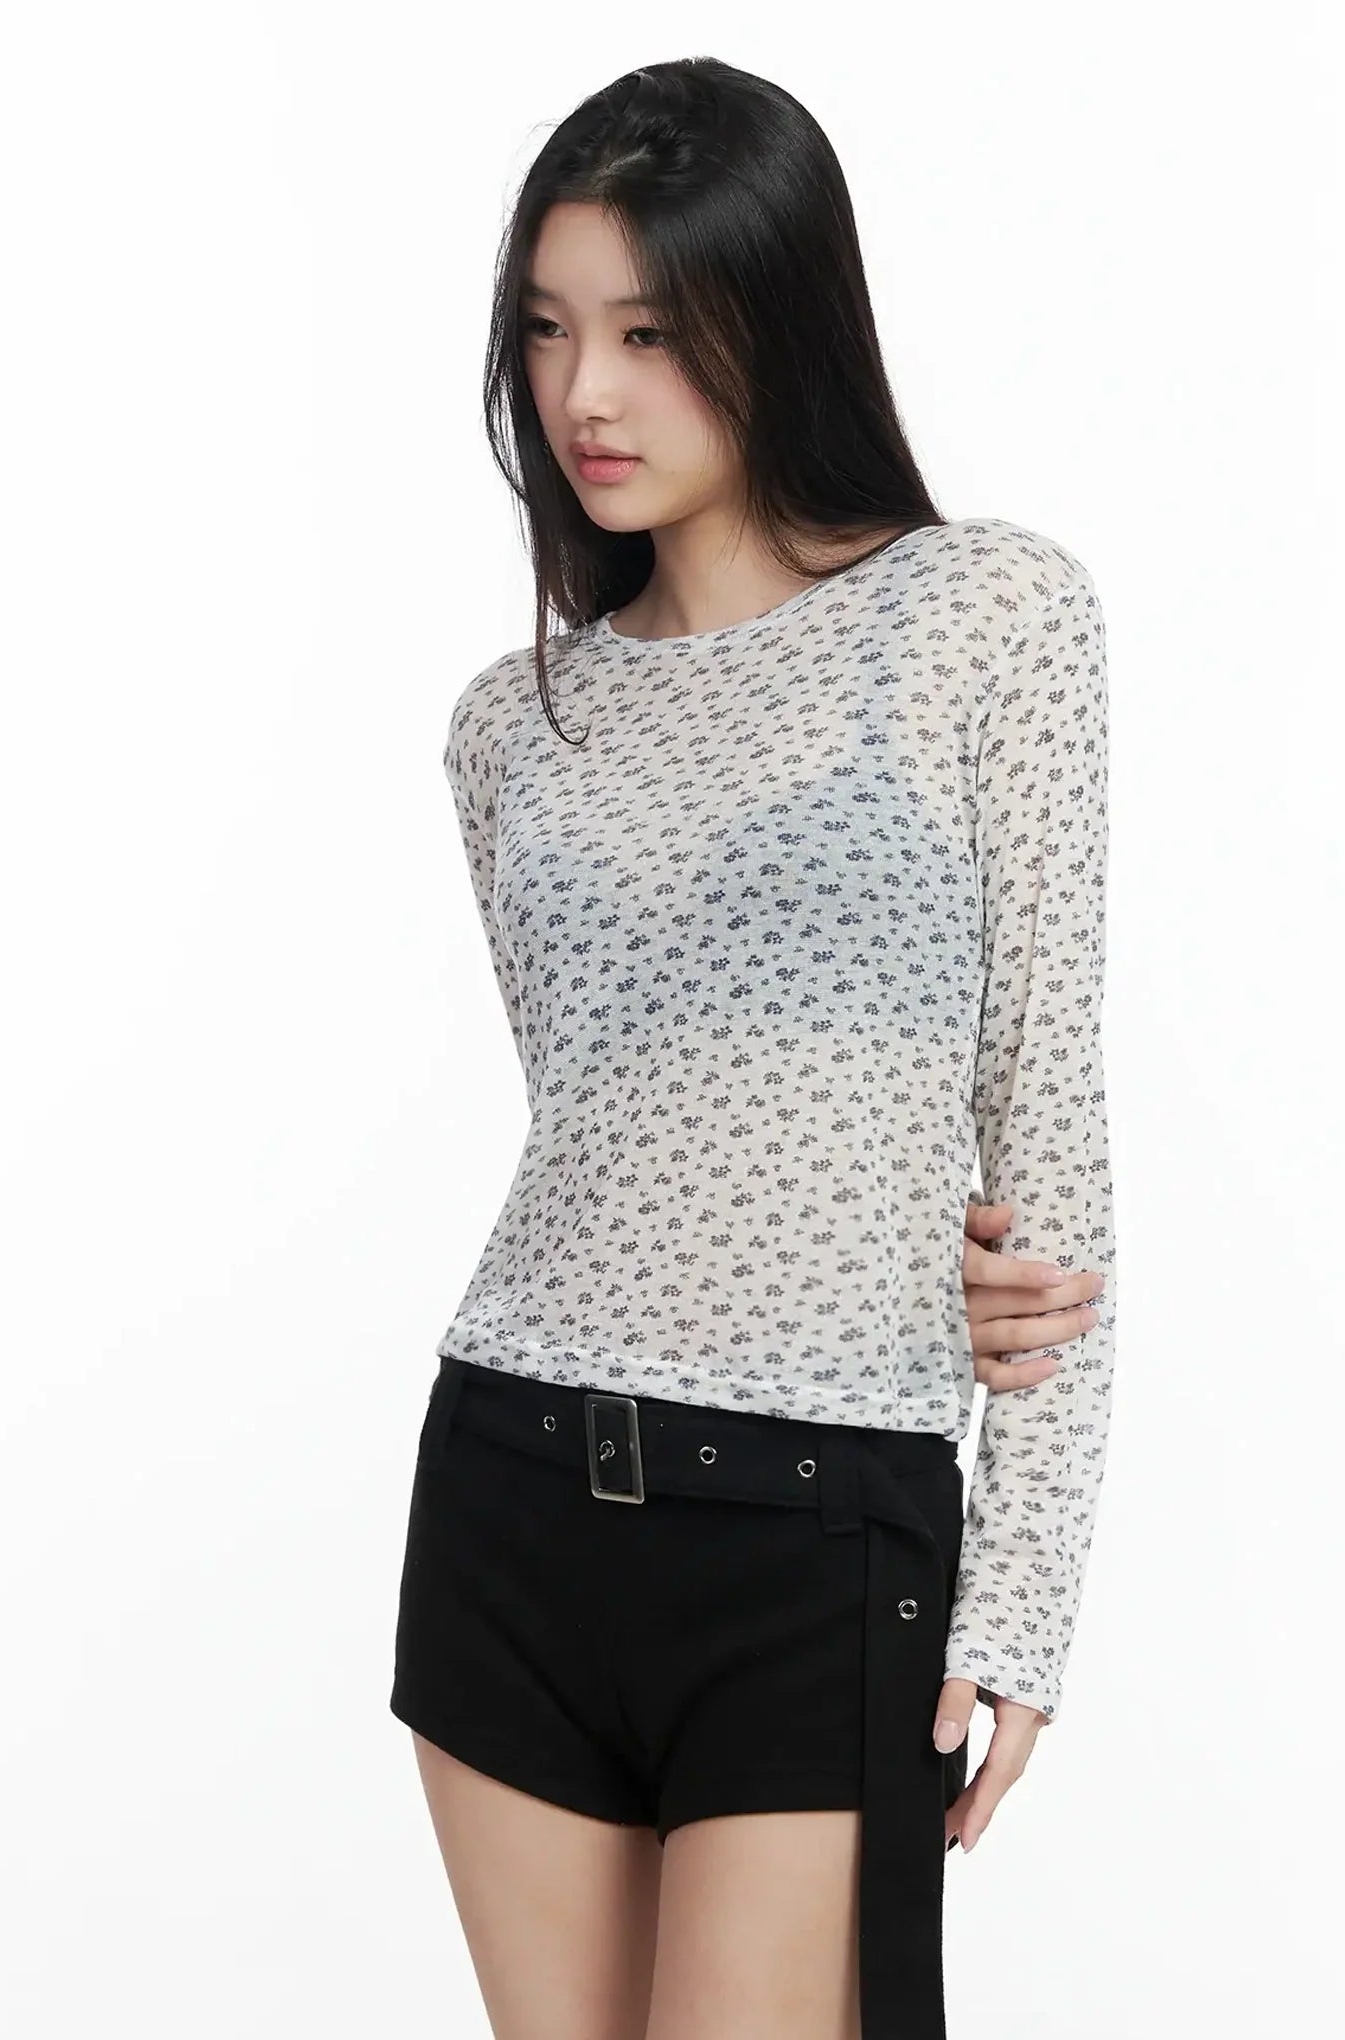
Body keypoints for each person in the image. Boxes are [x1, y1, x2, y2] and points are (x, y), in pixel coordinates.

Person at [389, 54, 1115, 2040]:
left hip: (818, 1529)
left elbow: (1046, 1128)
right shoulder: (512, 724)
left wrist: (1024, 1598)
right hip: (510, 1494)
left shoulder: (986, 618)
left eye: (647, 332)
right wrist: (873, 1225)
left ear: (775, 322)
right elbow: (620, 1115)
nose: (584, 394)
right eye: (548, 331)